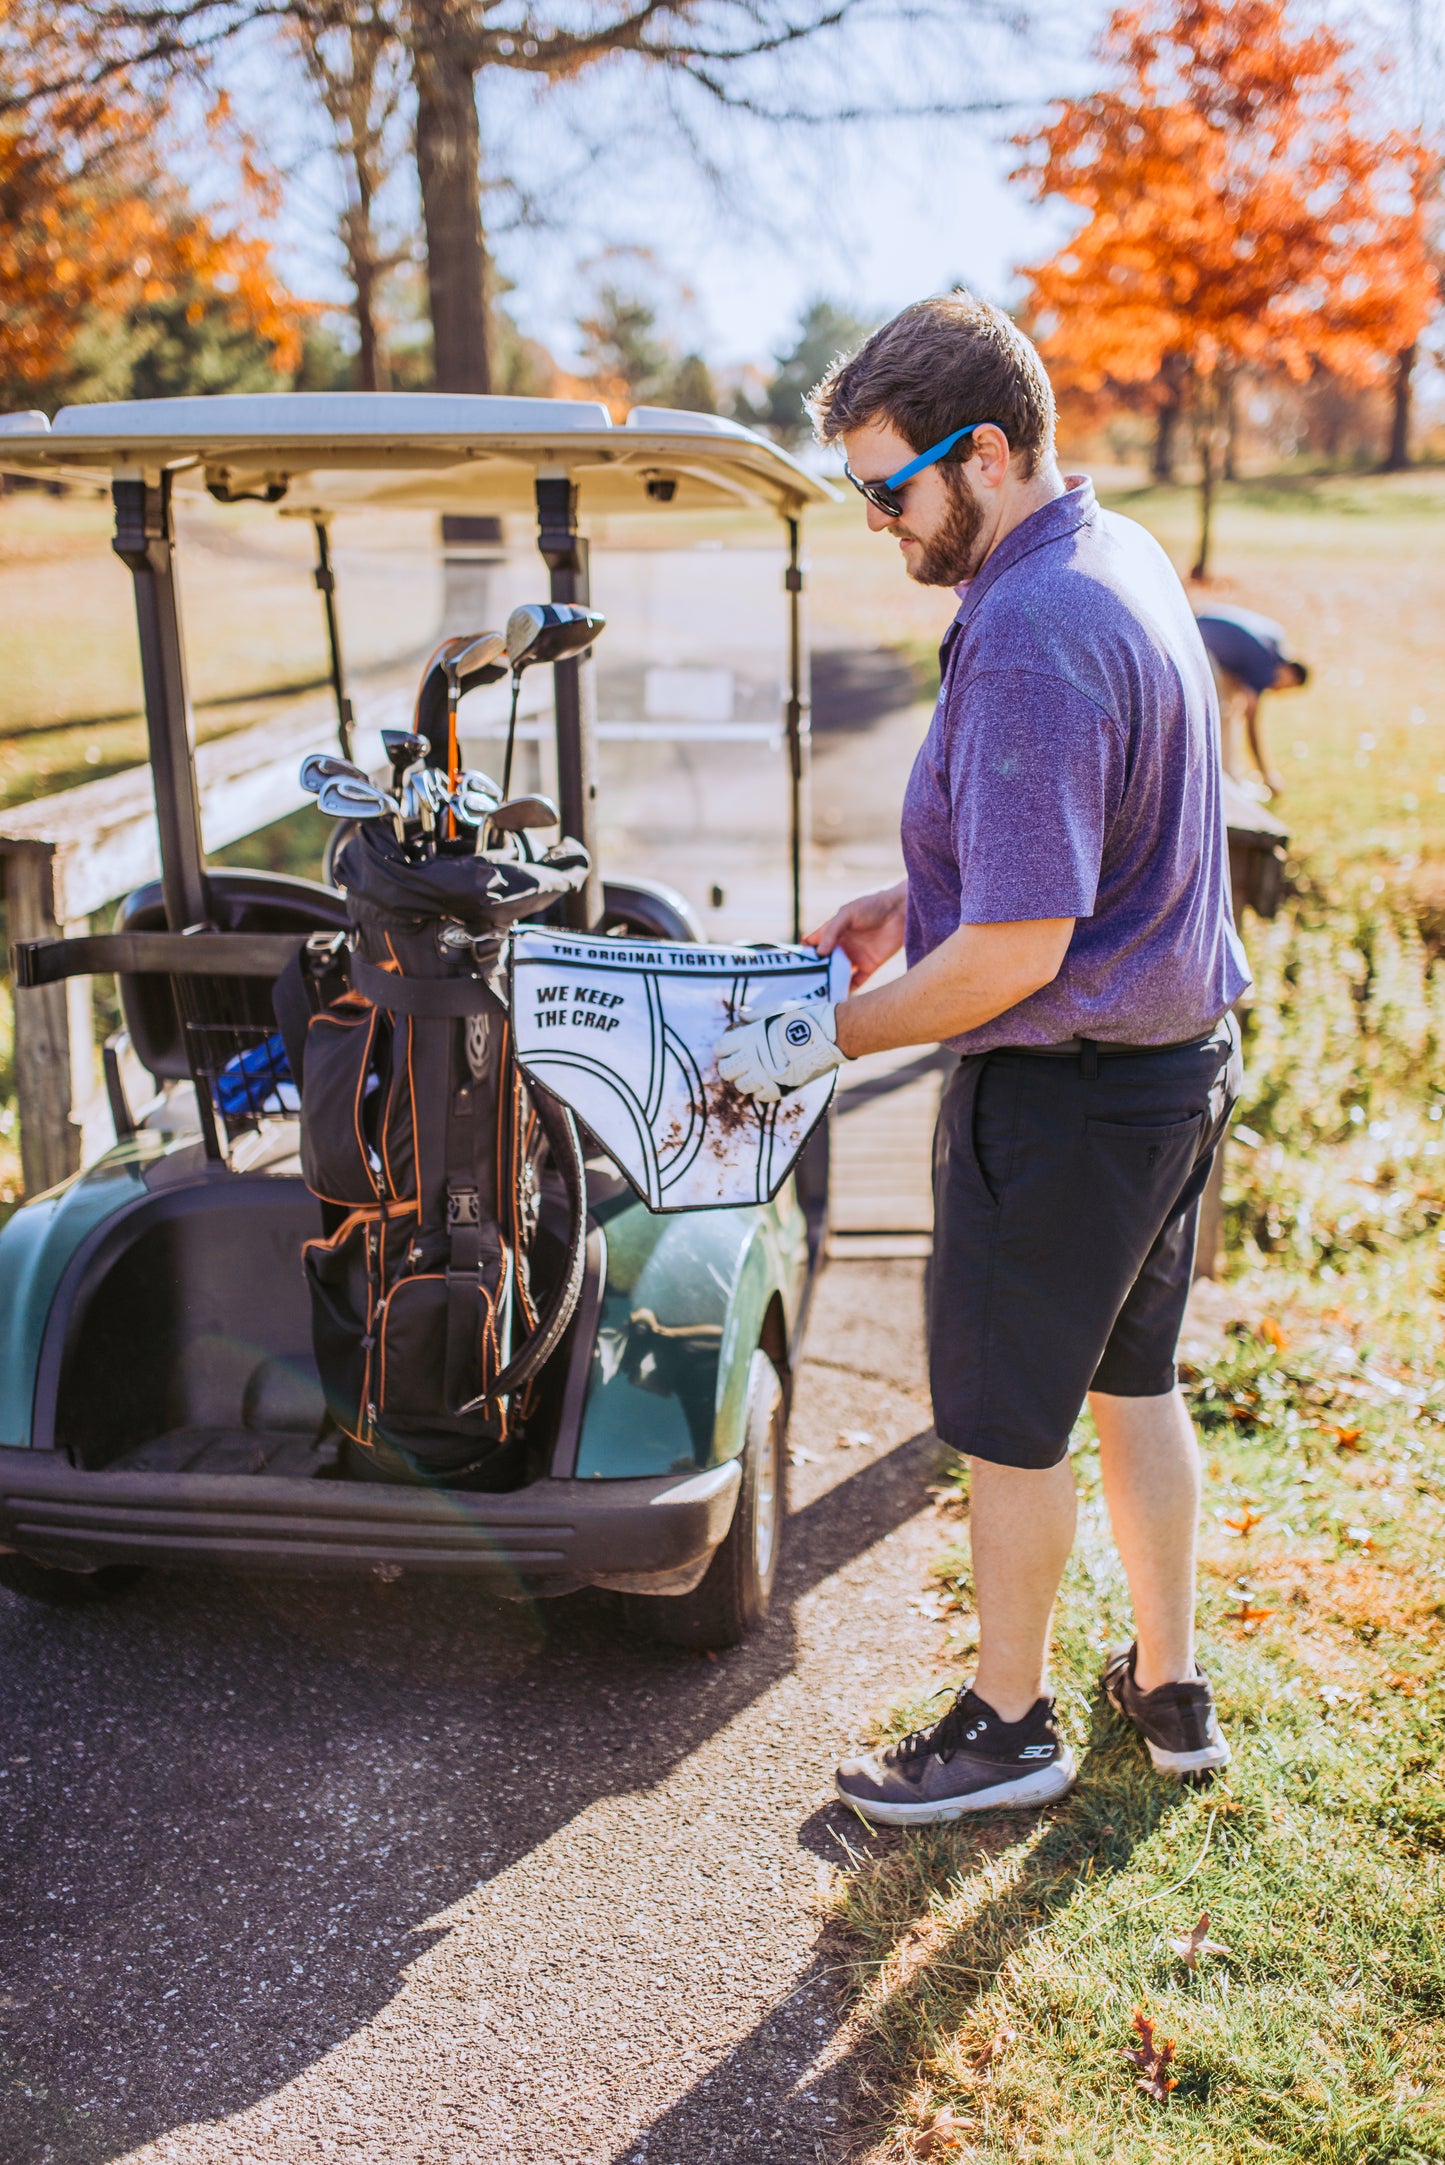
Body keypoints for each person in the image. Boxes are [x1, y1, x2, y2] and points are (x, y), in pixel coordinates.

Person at [715, 292, 1248, 1824]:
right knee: (1133, 1378)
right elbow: (1084, 836)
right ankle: (1168, 1685)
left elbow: (1016, 952)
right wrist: (908, 907)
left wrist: (814, 1039)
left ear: (988, 454)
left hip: (1070, 1099)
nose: (879, 521)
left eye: (891, 489)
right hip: (1174, 1066)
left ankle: (1008, 1728)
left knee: (1011, 1427)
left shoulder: (1026, 631)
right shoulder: (1111, 551)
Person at [1194, 602, 1309, 799]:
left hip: (1203, 629)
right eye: (1286, 686)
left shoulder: (1275, 639)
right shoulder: (1265, 665)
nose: (1279, 691)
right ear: (1288, 671)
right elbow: (1252, 724)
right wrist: (1267, 775)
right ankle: (1220, 782)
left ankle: (1229, 778)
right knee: (1220, 714)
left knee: (1230, 708)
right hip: (1201, 643)